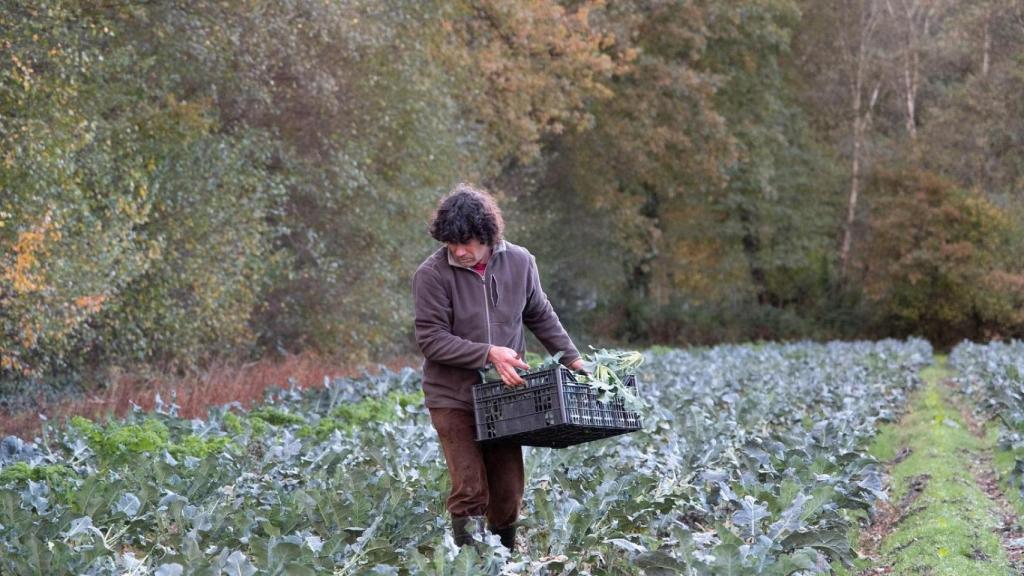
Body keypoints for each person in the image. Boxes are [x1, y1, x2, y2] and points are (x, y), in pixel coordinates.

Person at [412, 183, 585, 551]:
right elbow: (431, 339)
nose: (459, 251)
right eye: (451, 243)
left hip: (505, 395)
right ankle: (471, 563)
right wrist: (488, 352)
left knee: (506, 494)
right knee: (471, 487)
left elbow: (540, 315)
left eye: (468, 242)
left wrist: (573, 359)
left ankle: (504, 558)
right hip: (452, 397)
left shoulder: (521, 262)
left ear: (488, 237)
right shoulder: (431, 275)